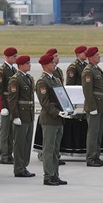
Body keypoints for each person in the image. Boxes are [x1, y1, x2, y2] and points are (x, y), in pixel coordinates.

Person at [35, 54, 68, 186]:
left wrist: (66, 109)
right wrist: (57, 112)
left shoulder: (55, 80)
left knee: (55, 150)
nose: (54, 64)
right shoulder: (42, 82)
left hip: (58, 118)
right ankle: (48, 176)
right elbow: (45, 103)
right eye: (51, 63)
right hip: (50, 119)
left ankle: (55, 174)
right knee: (48, 149)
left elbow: (61, 97)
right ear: (45, 65)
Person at [8, 55, 36, 178]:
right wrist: (15, 116)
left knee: (27, 142)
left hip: (28, 114)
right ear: (20, 65)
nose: (29, 65)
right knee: (19, 143)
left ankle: (24, 165)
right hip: (21, 115)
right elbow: (12, 100)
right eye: (27, 63)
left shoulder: (29, 78)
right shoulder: (15, 79)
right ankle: (19, 168)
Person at [82, 47, 103, 167]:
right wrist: (92, 107)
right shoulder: (88, 71)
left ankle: (96, 155)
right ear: (91, 57)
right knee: (93, 133)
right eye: (97, 55)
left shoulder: (97, 69)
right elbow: (87, 91)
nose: (99, 56)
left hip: (101, 104)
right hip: (94, 105)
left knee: (99, 132)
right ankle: (91, 157)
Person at [0, 47, 18, 165]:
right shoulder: (1, 71)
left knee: (11, 131)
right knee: (5, 131)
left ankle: (9, 153)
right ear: (7, 57)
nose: (16, 58)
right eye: (14, 56)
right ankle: (4, 155)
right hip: (5, 104)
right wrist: (2, 106)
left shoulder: (13, 70)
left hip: (12, 104)